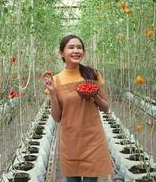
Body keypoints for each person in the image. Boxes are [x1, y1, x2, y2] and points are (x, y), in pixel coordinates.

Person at [43, 35, 114, 182]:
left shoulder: (92, 74)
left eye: (79, 47)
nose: (76, 51)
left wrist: (94, 96)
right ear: (61, 53)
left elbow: (106, 108)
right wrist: (53, 92)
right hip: (71, 140)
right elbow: (57, 117)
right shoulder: (55, 80)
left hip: (92, 138)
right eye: (71, 47)